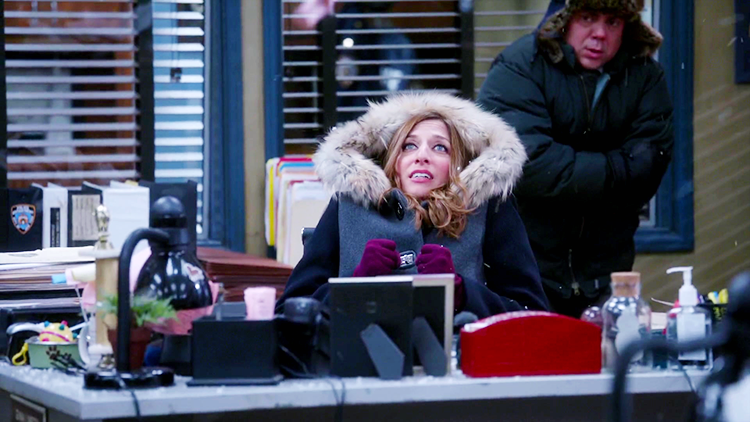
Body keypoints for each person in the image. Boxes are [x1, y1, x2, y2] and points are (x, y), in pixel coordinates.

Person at [477, 0, 674, 318]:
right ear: (563, 20)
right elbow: (529, 164)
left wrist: (574, 172)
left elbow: (649, 164)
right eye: (588, 18)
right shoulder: (520, 65)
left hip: (607, 271)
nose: (600, 34)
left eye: (613, 22)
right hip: (528, 270)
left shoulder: (644, 75)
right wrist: (615, 168)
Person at [277, 92, 549, 319]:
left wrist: (461, 293)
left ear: (459, 164)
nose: (422, 156)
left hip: (461, 361)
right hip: (357, 361)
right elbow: (290, 311)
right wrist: (356, 285)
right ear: (391, 160)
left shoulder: (488, 209)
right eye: (408, 146)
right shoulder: (348, 205)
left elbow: (532, 313)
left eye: (440, 148)